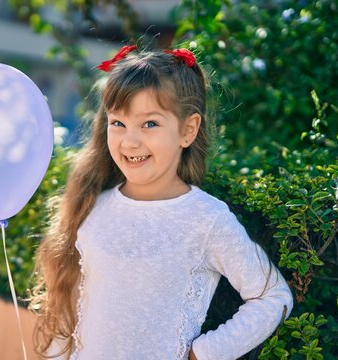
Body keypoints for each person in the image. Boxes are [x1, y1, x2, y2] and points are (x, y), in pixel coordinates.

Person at [27, 45, 294, 360]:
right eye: (118, 123)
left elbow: (273, 297)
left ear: (187, 130)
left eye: (149, 124)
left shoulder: (207, 219)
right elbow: (71, 313)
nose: (130, 141)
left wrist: (202, 353)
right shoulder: (93, 208)